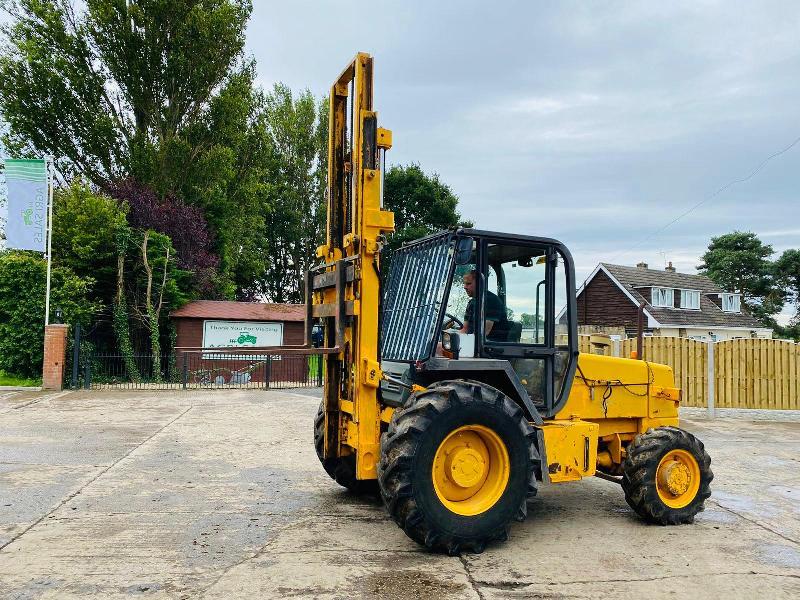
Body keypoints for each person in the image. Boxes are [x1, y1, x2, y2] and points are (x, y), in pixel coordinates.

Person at [461, 269, 506, 340]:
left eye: (468, 284)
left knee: (439, 348)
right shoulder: (472, 303)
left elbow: (484, 333)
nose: (464, 287)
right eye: (464, 283)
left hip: (491, 345)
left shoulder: (491, 300)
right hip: (473, 341)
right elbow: (465, 330)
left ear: (479, 284)